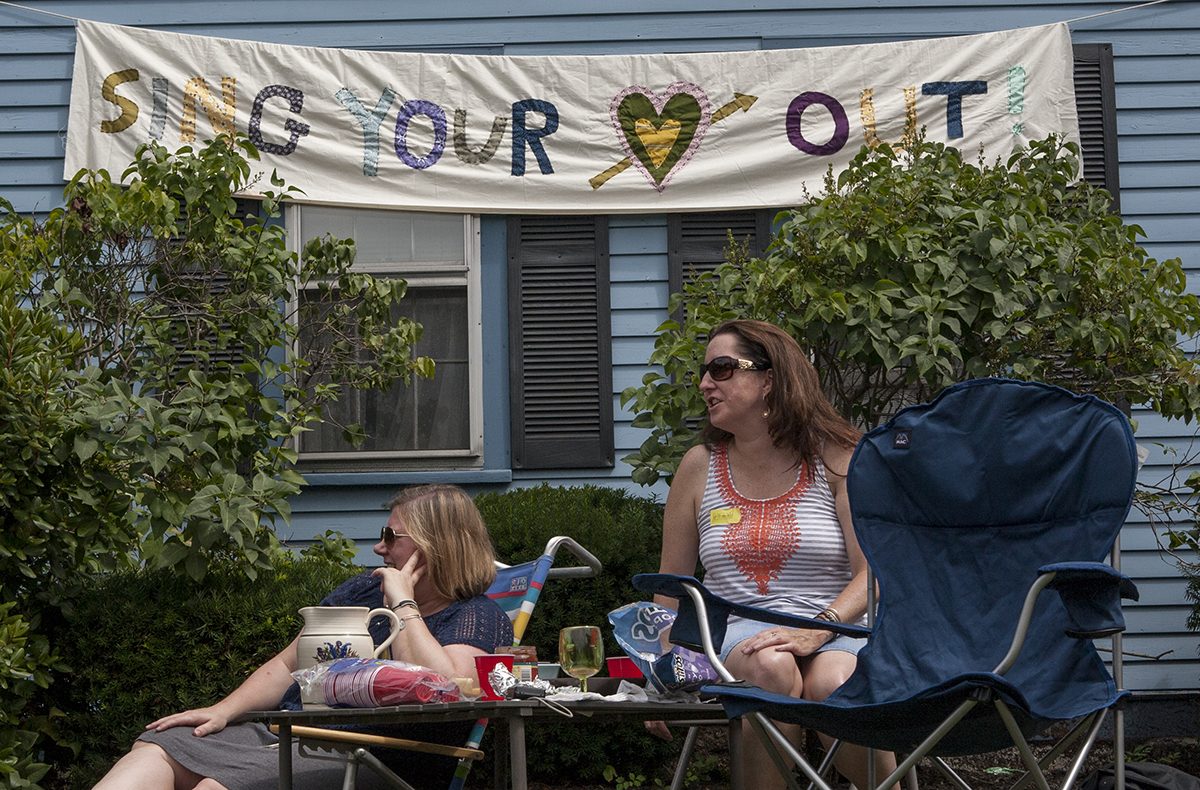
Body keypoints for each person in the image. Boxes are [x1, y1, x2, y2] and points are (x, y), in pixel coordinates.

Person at [93, 484, 514, 790]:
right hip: (288, 737)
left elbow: (448, 691)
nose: (379, 549)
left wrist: (403, 604)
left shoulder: (476, 615)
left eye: (391, 537)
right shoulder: (362, 592)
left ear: (433, 546)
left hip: (373, 755)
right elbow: (287, 663)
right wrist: (223, 710)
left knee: (215, 788)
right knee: (158, 747)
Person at [647, 319, 896, 790]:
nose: (704, 384)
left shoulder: (839, 457)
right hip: (734, 635)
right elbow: (670, 588)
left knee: (835, 683)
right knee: (771, 667)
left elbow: (874, 573)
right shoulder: (699, 466)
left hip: (834, 628)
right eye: (704, 371)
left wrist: (814, 631)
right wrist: (663, 670)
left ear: (770, 379)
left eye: (721, 369)